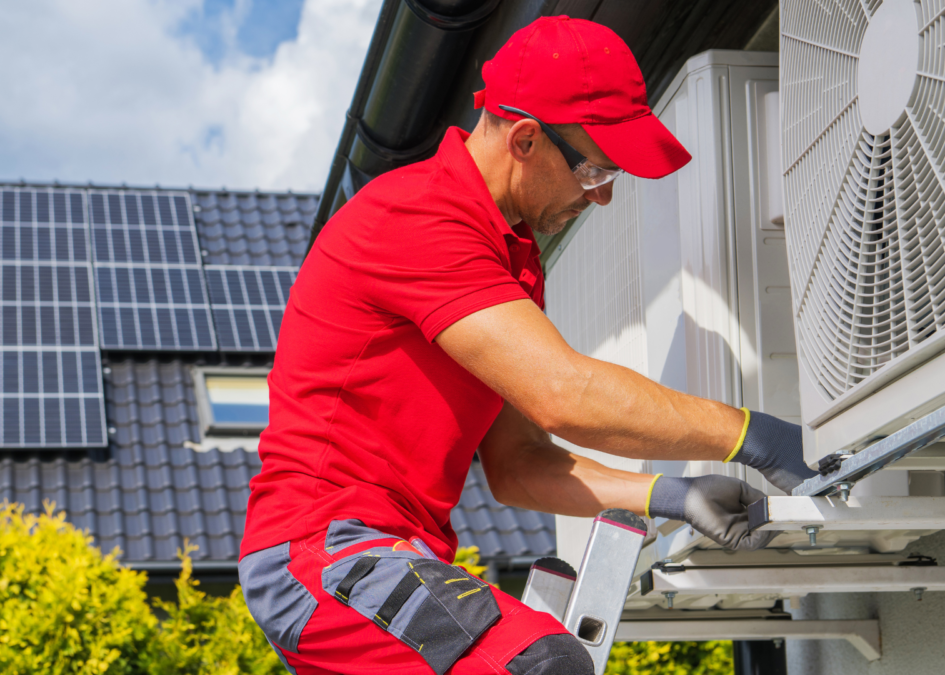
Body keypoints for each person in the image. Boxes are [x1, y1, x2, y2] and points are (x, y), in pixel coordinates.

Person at [239, 16, 817, 675]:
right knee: (540, 663)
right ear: (525, 140)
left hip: (386, 554)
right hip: (327, 552)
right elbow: (563, 395)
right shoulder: (418, 216)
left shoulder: (509, 260)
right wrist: (755, 435)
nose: (600, 198)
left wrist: (670, 494)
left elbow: (518, 463)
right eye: (594, 170)